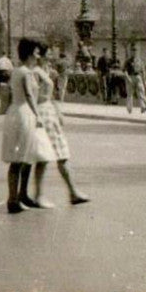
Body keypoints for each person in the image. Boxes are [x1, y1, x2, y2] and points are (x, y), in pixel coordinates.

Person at [1, 38, 58, 215]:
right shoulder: (25, 73)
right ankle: (13, 199)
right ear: (30, 53)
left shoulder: (18, 71)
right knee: (20, 157)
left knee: (20, 156)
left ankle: (17, 196)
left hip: (16, 112)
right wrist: (37, 115)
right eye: (36, 52)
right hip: (24, 114)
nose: (38, 54)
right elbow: (29, 95)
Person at [31, 45, 89, 207]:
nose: (51, 57)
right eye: (48, 54)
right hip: (42, 114)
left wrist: (58, 111)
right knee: (43, 157)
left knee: (62, 153)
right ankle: (39, 195)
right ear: (40, 56)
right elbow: (33, 96)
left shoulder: (47, 71)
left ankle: (72, 191)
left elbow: (53, 95)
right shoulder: (35, 73)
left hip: (50, 113)